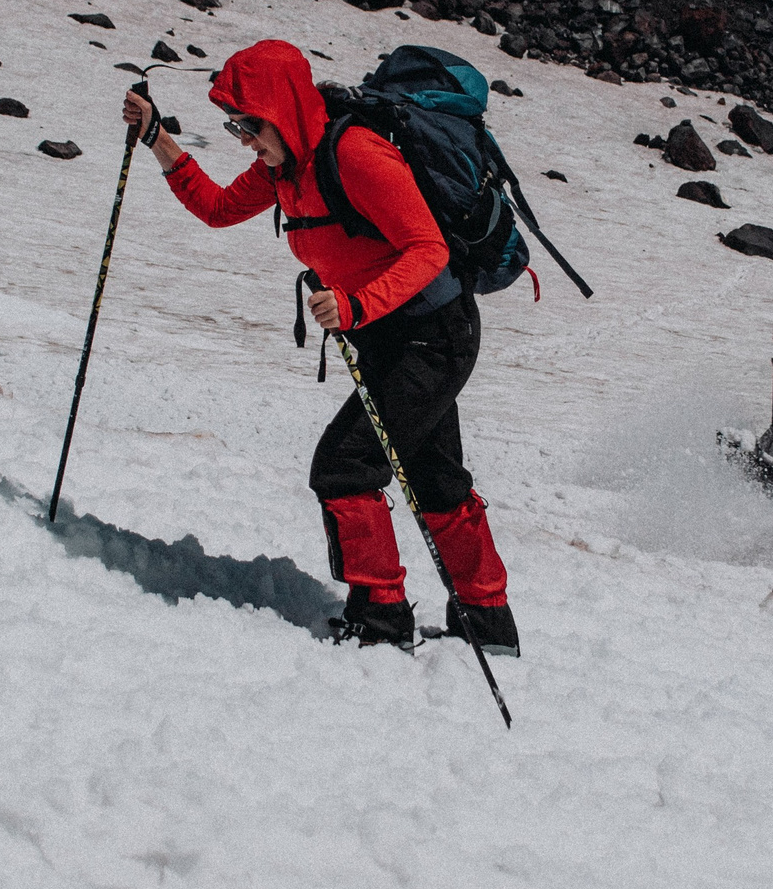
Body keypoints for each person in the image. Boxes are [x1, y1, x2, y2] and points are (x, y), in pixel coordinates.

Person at [121, 42, 517, 655]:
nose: (243, 138)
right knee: (434, 477)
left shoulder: (355, 154)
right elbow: (219, 209)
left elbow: (429, 250)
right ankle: (488, 625)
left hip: (433, 336)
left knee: (344, 466)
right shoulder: (286, 167)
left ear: (283, 109)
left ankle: (381, 620)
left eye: (249, 124)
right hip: (391, 335)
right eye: (236, 126)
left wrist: (357, 305)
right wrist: (156, 139)